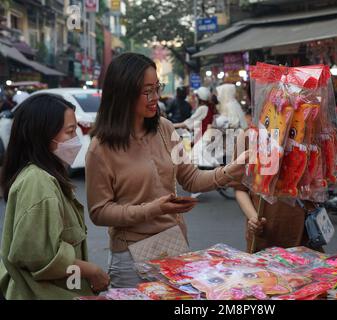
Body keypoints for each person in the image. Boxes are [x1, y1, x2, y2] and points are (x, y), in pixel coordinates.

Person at [85, 53, 248, 288]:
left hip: (173, 246)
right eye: (146, 91)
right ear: (123, 93)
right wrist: (154, 209)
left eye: (156, 88)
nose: (155, 98)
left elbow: (190, 178)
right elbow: (99, 212)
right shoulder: (100, 148)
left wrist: (231, 170)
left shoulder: (164, 128)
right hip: (130, 257)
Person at [0, 94, 110, 299]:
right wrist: (92, 271)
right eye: (70, 132)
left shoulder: (46, 177)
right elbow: (38, 257)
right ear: (43, 135)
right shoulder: (37, 182)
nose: (76, 139)